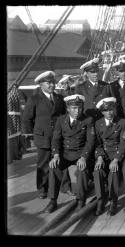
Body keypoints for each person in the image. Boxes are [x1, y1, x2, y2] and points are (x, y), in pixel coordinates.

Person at [43, 94, 95, 213]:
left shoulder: (88, 120)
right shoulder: (61, 120)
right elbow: (56, 139)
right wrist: (55, 155)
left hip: (80, 153)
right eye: (74, 108)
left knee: (82, 169)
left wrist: (83, 157)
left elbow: (90, 141)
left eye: (80, 108)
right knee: (53, 167)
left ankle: (81, 200)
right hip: (65, 154)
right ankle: (52, 201)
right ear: (68, 109)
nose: (77, 111)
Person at [22, 71, 69, 199]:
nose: (51, 85)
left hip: (58, 137)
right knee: (43, 164)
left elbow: (64, 116)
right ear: (41, 84)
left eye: (53, 82)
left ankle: (65, 187)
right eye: (48, 83)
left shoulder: (59, 98)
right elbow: (26, 118)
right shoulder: (34, 99)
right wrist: (33, 135)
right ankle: (43, 189)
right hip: (43, 137)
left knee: (62, 162)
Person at [94, 97, 125, 216]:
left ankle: (113, 200)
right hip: (104, 153)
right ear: (102, 112)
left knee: (113, 170)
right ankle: (100, 200)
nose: (109, 113)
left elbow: (123, 143)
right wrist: (99, 157)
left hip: (117, 153)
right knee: (97, 170)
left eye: (111, 110)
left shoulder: (122, 122)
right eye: (106, 111)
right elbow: (97, 143)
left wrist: (115, 159)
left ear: (114, 109)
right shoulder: (98, 123)